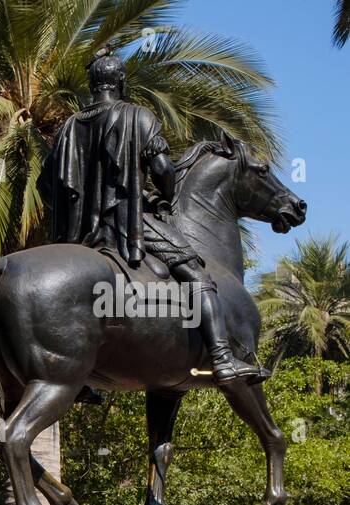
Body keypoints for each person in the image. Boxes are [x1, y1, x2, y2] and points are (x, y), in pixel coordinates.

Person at [41, 46, 265, 385]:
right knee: (197, 272)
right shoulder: (138, 116)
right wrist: (165, 193)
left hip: (79, 234)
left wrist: (77, 212)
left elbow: (47, 184)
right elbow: (163, 168)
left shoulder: (70, 128)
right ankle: (223, 358)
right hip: (127, 223)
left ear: (93, 84)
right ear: (120, 82)